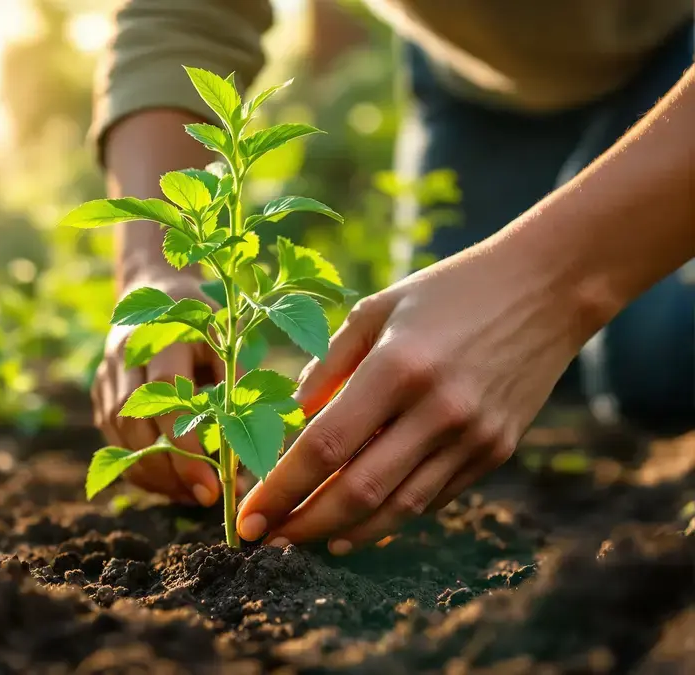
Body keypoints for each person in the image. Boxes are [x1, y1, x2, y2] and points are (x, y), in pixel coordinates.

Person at [89, 0, 695, 553]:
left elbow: (549, 296)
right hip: (481, 79)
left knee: (649, 371)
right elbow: (177, 13)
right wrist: (153, 266)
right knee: (440, 390)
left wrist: (554, 289)